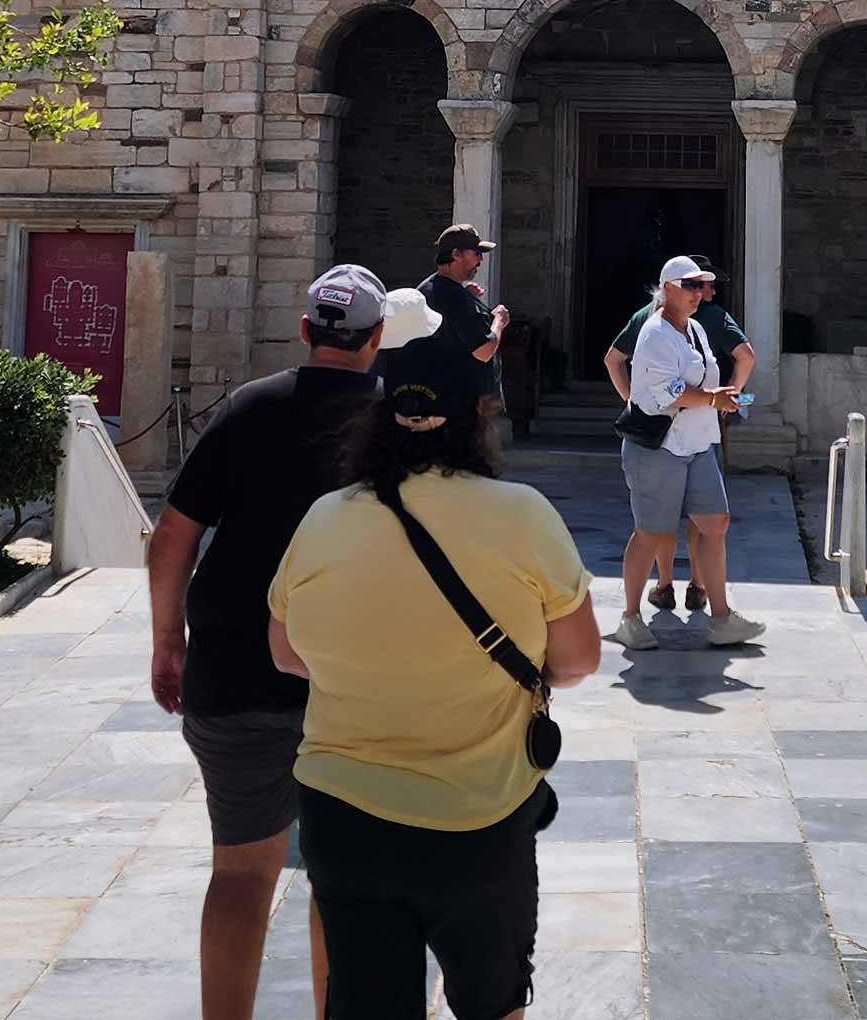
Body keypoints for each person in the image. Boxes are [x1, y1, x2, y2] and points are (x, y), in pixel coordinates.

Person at [268, 331, 601, 1020]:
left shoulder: (323, 520)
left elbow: (286, 652)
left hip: (343, 815)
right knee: (492, 1004)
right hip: (476, 818)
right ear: (479, 417)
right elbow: (577, 662)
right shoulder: (524, 516)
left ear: (380, 417)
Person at [147, 263, 388, 1020]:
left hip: (233, 663)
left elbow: (172, 538)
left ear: (306, 328)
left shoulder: (248, 407)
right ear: (377, 339)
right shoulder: (396, 422)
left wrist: (167, 642)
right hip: (355, 680)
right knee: (341, 879)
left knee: (242, 872)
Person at [614, 255, 766, 653]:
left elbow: (708, 378)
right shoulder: (653, 334)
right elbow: (672, 393)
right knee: (650, 532)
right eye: (690, 285)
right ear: (667, 289)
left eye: (701, 286)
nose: (698, 293)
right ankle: (630, 618)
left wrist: (723, 397)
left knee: (715, 522)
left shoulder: (696, 328)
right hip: (658, 447)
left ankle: (720, 618)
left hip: (698, 443)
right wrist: (713, 399)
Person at [420, 222, 509, 419]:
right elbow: (483, 351)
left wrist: (467, 297)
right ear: (456, 254)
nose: (480, 260)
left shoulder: (429, 289)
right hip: (460, 405)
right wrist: (499, 322)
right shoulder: (453, 296)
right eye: (476, 253)